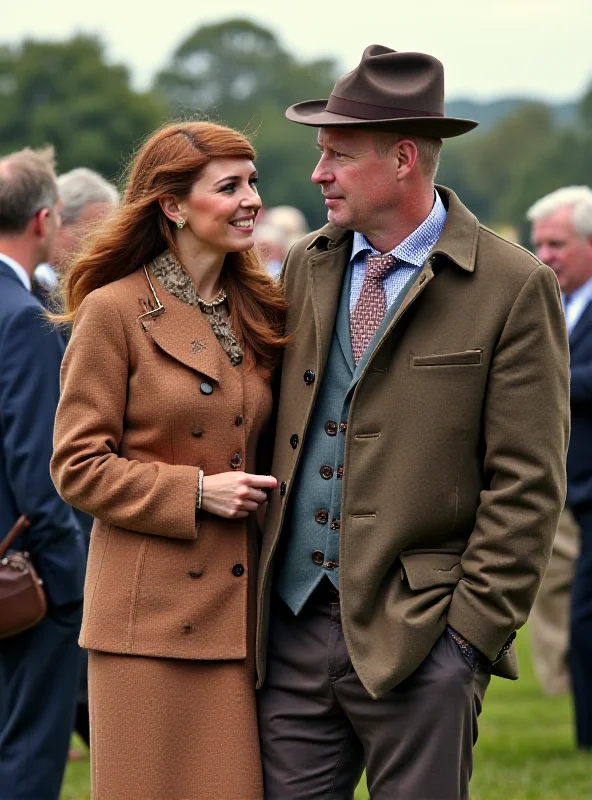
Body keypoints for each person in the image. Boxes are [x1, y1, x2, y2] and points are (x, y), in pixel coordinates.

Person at [256, 45, 570, 800]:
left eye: (337, 155)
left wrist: (467, 638)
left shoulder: (514, 284)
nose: (317, 173)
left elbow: (527, 482)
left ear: (402, 158)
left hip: (426, 638)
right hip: (292, 630)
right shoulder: (307, 263)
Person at [50, 121, 286, 800]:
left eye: (254, 182)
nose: (252, 200)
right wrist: (196, 491)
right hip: (146, 624)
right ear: (173, 205)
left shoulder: (261, 308)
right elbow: (76, 465)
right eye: (230, 186)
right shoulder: (113, 311)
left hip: (242, 616)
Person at [0, 147, 86, 800]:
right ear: (44, 220)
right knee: (28, 757)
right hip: (23, 578)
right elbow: (40, 461)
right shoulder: (23, 314)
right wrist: (70, 583)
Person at [528, 186, 592, 747]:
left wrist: (528, 376)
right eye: (538, 244)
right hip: (567, 484)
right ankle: (569, 698)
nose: (545, 255)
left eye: (557, 243)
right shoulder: (561, 301)